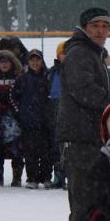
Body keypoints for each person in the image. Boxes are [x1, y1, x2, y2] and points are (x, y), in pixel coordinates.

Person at [57, 7, 110, 221]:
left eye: (105, 26)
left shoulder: (92, 53)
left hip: (91, 139)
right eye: (95, 25)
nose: (101, 31)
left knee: (94, 202)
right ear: (85, 27)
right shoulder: (80, 53)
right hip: (80, 140)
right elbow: (83, 90)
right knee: (84, 204)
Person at [11, 49, 51, 189]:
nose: (35, 63)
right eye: (32, 60)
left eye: (37, 60)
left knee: (46, 152)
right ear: (28, 62)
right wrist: (19, 112)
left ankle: (46, 177)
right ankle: (32, 178)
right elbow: (13, 96)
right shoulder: (22, 78)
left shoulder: (48, 77)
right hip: (28, 122)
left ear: (42, 61)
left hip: (45, 122)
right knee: (30, 152)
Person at [0, 49, 24, 187]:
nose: (4, 64)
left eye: (7, 62)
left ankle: (17, 177)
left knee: (16, 149)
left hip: (13, 119)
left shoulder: (18, 79)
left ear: (12, 63)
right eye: (1, 62)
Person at [47, 41, 67, 189]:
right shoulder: (52, 72)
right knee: (55, 145)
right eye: (63, 53)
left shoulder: (76, 70)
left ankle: (69, 175)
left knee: (68, 146)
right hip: (54, 108)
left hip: (69, 110)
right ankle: (58, 175)